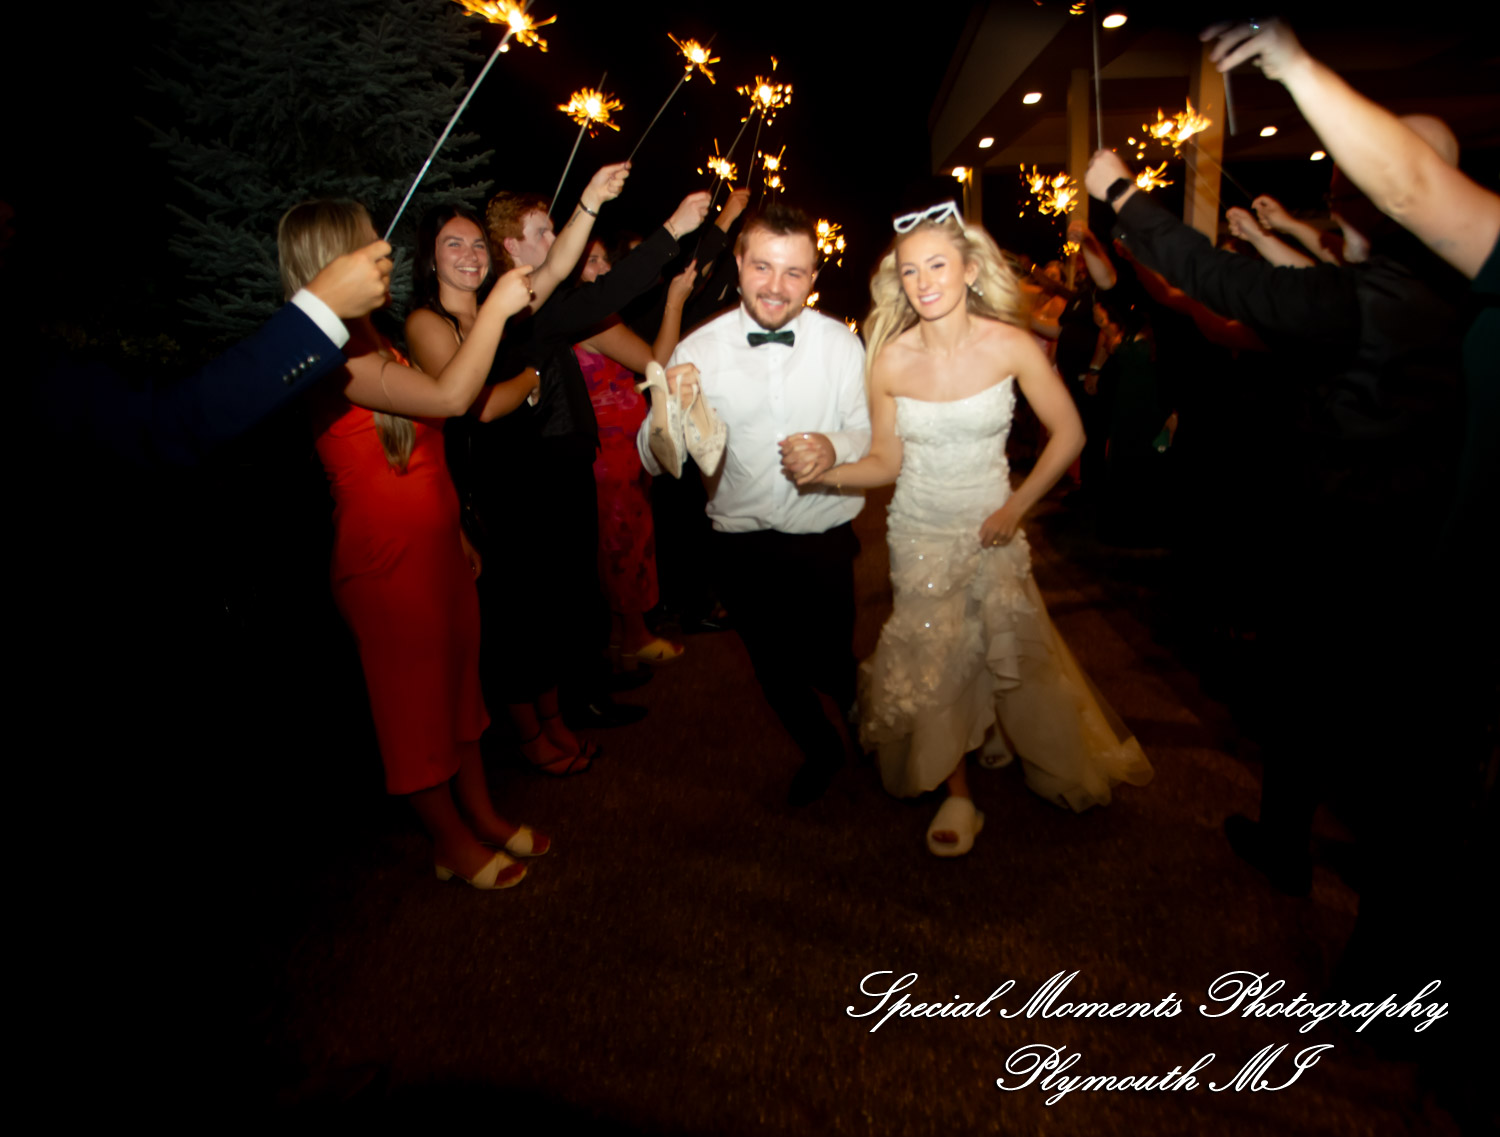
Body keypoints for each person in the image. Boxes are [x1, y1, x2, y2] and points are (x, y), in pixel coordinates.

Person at [796, 202, 1151, 853]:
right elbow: (885, 460)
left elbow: (1069, 433)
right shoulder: (892, 360)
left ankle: (1013, 740)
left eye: (937, 264)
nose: (924, 281)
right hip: (920, 531)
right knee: (934, 658)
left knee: (1002, 639)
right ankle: (958, 793)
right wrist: (824, 472)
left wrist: (1016, 508)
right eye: (909, 271)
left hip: (995, 521)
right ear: (896, 282)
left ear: (968, 269)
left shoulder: (1010, 343)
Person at [278, 198, 548, 891]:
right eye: (369, 243)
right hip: (386, 563)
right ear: (332, 258)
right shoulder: (321, 354)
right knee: (414, 715)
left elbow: (414, 451)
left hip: (436, 550)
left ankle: (482, 815)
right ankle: (450, 842)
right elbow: (455, 400)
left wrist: (456, 529)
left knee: (460, 695)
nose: (386, 253)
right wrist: (494, 311)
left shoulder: (374, 339)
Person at [638, 202, 870, 806]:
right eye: (762, 266)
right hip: (740, 543)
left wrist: (834, 444)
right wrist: (671, 410)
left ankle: (866, 723)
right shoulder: (700, 348)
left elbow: (870, 432)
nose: (776, 286)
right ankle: (820, 750)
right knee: (773, 669)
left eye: (794, 272)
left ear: (814, 277)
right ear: (738, 265)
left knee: (832, 659)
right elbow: (652, 457)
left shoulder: (841, 345)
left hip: (823, 534)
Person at [477, 178, 709, 729]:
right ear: (511, 246)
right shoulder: (520, 310)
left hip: (578, 459)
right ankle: (573, 703)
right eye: (544, 232)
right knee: (568, 592)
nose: (559, 240)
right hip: (548, 469)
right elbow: (611, 294)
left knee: (584, 586)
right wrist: (672, 230)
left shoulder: (550, 303)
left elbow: (620, 306)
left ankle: (583, 693)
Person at [404, 202, 598, 776]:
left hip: (526, 477)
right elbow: (480, 407)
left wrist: (589, 200)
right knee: (510, 621)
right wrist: (533, 378)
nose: (469, 255)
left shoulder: (500, 310)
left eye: (476, 245)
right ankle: (530, 737)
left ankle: (554, 721)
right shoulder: (426, 322)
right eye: (453, 245)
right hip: (482, 492)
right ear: (429, 259)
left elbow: (558, 266)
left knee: (542, 611)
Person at [573, 236, 697, 667]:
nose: (602, 268)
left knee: (613, 543)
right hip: (614, 453)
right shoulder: (594, 319)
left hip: (610, 448)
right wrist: (676, 301)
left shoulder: (584, 314)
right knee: (626, 543)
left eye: (605, 259)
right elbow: (655, 363)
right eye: (590, 261)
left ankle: (618, 637)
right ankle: (635, 637)